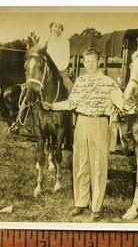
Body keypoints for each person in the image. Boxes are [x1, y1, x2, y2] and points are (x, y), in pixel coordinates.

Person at [42, 48, 124, 222]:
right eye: (87, 62)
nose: (90, 65)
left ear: (99, 61)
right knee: (80, 163)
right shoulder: (80, 81)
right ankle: (80, 203)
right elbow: (72, 103)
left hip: (100, 123)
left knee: (98, 166)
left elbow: (122, 102)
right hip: (81, 123)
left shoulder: (108, 81)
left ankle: (96, 208)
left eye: (93, 61)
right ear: (83, 63)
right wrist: (53, 106)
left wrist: (129, 105)